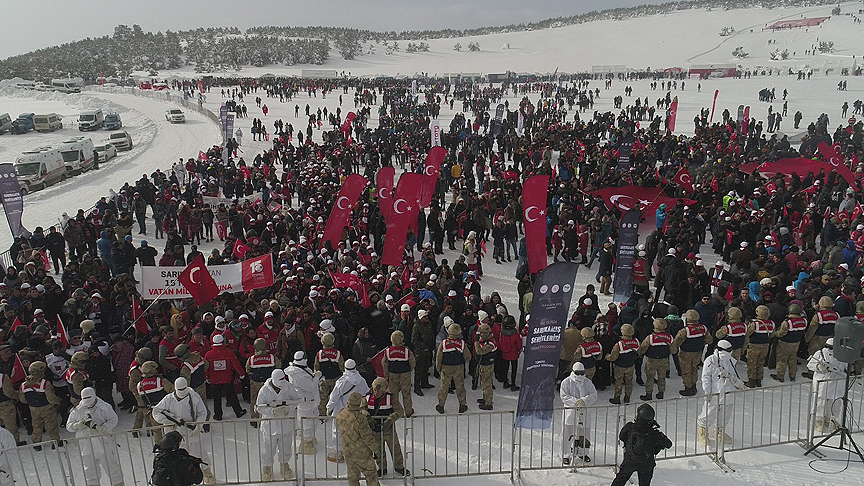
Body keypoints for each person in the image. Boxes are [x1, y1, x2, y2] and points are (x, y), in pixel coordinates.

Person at [151, 377, 214, 484]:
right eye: (179, 389)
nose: (181, 391)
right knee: (179, 460)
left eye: (183, 389)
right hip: (174, 437)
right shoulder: (168, 399)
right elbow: (156, 412)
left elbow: (202, 412)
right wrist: (167, 421)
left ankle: (207, 475)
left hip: (192, 434)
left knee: (200, 455)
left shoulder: (194, 397)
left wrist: (197, 425)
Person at [66, 387, 124, 486]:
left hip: (104, 442)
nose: (86, 401)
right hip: (87, 445)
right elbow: (69, 426)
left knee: (112, 467)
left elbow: (113, 419)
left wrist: (102, 428)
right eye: (84, 398)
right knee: (90, 471)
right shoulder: (78, 410)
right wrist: (77, 425)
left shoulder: (105, 407)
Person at [255, 369, 303, 481]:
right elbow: (259, 407)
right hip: (270, 425)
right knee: (267, 449)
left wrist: (288, 408)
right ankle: (266, 467)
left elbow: (296, 400)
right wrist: (273, 411)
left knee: (285, 447)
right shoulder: (264, 390)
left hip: (285, 424)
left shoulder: (288, 387)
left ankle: (284, 465)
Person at [610, 403, 672, 486]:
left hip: (630, 460)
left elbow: (621, 436)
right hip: (647, 463)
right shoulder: (655, 434)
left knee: (619, 481)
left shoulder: (630, 427)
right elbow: (668, 444)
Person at [697, 340, 744, 446]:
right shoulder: (710, 361)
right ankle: (702, 432)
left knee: (725, 415)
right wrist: (707, 392)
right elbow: (705, 378)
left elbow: (733, 375)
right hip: (714, 393)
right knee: (708, 414)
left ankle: (719, 432)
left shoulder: (730, 361)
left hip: (728, 393)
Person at [326, 359, 369, 463]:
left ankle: (339, 453)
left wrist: (329, 408)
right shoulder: (362, 380)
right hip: (355, 411)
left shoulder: (342, 381)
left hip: (341, 410)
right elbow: (366, 394)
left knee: (337, 431)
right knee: (355, 431)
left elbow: (334, 397)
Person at [364, 377, 409, 477]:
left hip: (388, 429)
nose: (376, 393)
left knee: (395, 448)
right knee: (378, 451)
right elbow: (362, 410)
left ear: (384, 390)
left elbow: (400, 411)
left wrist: (389, 420)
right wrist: (368, 417)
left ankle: (399, 467)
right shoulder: (367, 398)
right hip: (374, 429)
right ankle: (382, 468)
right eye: (375, 390)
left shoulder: (390, 398)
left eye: (379, 391)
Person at [336, 392, 380, 486]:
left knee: (353, 477)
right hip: (361, 452)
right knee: (371, 475)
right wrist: (376, 449)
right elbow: (367, 437)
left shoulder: (340, 414)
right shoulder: (360, 418)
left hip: (348, 451)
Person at [560, 362, 598, 465]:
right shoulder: (566, 382)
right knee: (567, 434)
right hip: (571, 413)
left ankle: (582, 453)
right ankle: (566, 454)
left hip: (584, 414)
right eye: (578, 373)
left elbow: (594, 394)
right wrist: (576, 402)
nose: (580, 375)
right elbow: (564, 396)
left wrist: (585, 400)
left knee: (584, 434)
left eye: (582, 373)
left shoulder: (587, 382)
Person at [204, 334, 247, 421]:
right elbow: (236, 364)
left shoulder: (208, 354)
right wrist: (242, 373)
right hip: (227, 379)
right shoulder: (229, 352)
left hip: (214, 380)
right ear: (223, 342)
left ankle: (218, 415)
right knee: (232, 396)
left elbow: (206, 367)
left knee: (217, 399)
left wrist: (207, 377)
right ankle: (238, 411)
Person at [807, 338, 847, 432]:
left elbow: (845, 367)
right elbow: (810, 364)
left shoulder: (841, 355)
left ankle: (831, 419)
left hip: (837, 382)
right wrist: (818, 367)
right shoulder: (820, 354)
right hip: (823, 382)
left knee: (835, 402)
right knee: (821, 402)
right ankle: (819, 420)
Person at [285, 350, 321, 454]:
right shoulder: (298, 375)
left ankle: (309, 439)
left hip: (311, 401)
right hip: (307, 402)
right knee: (307, 423)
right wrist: (317, 378)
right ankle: (306, 442)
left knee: (312, 421)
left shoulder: (301, 369)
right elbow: (310, 387)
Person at [19, 361, 61, 450]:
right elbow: (51, 398)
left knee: (36, 426)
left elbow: (22, 399)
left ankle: (37, 443)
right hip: (47, 408)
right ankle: (55, 442)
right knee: (51, 425)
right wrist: (58, 401)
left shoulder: (23, 385)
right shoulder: (45, 383)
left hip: (33, 408)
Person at [673, 310, 712, 396]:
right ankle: (694, 386)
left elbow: (676, 342)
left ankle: (688, 389)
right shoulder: (703, 328)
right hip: (698, 352)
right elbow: (709, 340)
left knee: (686, 371)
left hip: (685, 353)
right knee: (694, 369)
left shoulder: (685, 331)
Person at [436, 323, 471, 414]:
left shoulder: (444, 343)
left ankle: (441, 405)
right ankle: (462, 405)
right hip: (458, 367)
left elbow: (438, 357)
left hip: (446, 368)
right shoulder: (462, 343)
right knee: (460, 387)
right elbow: (468, 356)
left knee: (444, 387)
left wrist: (438, 367)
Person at [638, 318, 676, 401]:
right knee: (662, 377)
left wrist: (640, 354)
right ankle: (661, 393)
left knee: (650, 377)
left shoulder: (650, 338)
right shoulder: (669, 337)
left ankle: (649, 394)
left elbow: (643, 349)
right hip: (664, 359)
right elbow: (674, 350)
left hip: (651, 360)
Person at [771, 304, 807, 382]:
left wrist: (775, 333)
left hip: (785, 343)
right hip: (796, 343)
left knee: (782, 359)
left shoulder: (787, 322)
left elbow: (782, 333)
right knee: (793, 359)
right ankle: (792, 376)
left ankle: (780, 376)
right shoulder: (804, 321)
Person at [382, 330, 415, 417]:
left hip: (392, 374)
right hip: (405, 374)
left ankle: (396, 411)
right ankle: (408, 411)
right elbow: (413, 362)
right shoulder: (407, 351)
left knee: (394, 395)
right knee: (406, 393)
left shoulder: (388, 351)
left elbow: (384, 363)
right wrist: (410, 369)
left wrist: (386, 375)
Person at [606, 323, 639, 404]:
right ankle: (627, 397)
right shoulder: (636, 342)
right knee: (629, 382)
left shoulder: (619, 344)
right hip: (630, 365)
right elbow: (639, 351)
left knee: (618, 382)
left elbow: (613, 357)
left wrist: (607, 357)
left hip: (619, 366)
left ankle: (617, 397)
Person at [315, 332, 344, 417]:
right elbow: (342, 367)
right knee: (335, 398)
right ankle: (335, 414)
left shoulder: (319, 354)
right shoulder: (338, 353)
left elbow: (316, 367)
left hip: (324, 380)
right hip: (336, 380)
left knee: (323, 399)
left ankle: (323, 415)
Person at [745, 305, 775, 388]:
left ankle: (751, 381)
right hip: (765, 346)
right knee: (760, 363)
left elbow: (748, 333)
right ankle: (758, 380)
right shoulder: (771, 323)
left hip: (754, 346)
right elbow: (772, 334)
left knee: (752, 363)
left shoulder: (755, 323)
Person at [474, 323, 497, 410]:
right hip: (484, 364)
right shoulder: (487, 340)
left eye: (482, 333)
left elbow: (479, 351)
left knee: (487, 384)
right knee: (484, 383)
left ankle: (488, 403)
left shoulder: (490, 344)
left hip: (487, 366)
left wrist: (476, 342)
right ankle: (485, 398)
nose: (480, 335)